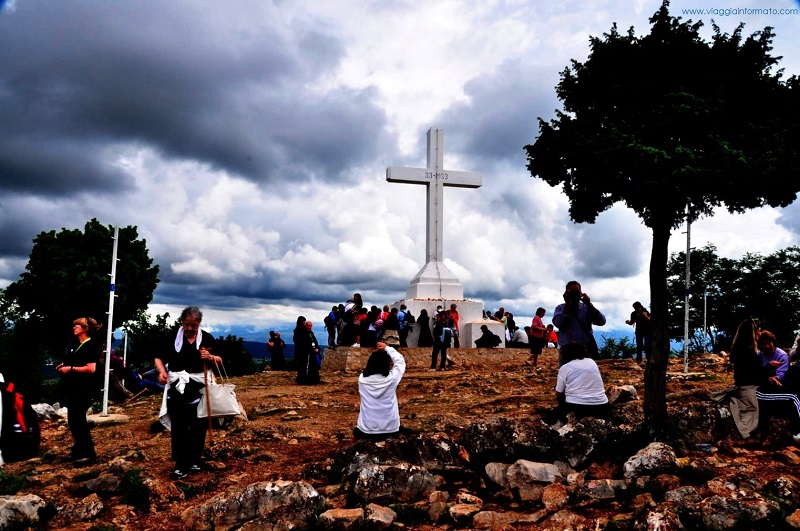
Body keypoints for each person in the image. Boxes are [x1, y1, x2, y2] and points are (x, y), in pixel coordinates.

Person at [154, 306, 221, 479]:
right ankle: (180, 463)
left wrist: (210, 357)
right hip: (177, 386)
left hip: (199, 387)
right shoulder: (172, 337)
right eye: (187, 325)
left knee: (199, 425)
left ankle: (195, 460)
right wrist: (162, 372)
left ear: (199, 323)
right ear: (182, 322)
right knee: (179, 426)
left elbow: (219, 361)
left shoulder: (207, 338)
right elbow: (158, 357)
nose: (190, 328)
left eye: (194, 325)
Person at [57, 317, 103, 466]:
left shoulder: (90, 345)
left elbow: (91, 368)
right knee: (73, 420)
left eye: (77, 326)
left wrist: (70, 369)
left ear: (85, 328)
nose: (74, 327)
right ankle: (78, 449)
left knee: (79, 420)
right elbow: (73, 360)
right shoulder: (76, 344)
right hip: (73, 387)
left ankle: (89, 453)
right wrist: (64, 365)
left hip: (84, 388)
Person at [717, 319, 763, 439]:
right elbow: (756, 374)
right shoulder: (749, 352)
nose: (760, 333)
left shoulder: (738, 349)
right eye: (758, 331)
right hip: (749, 388)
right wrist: (769, 367)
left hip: (742, 385)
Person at [354, 342, 407, 440]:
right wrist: (387, 348)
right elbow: (400, 361)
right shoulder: (392, 379)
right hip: (391, 429)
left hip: (366, 430)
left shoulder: (362, 380)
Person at [551, 342, 609, 423]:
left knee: (551, 416)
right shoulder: (592, 362)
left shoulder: (565, 367)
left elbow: (558, 393)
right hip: (601, 405)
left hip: (577, 406)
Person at [552, 281, 606, 365]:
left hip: (585, 348)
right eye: (571, 292)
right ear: (566, 293)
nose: (574, 294)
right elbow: (558, 323)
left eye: (576, 292)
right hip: (567, 349)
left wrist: (589, 304)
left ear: (581, 293)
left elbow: (601, 321)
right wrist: (567, 306)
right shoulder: (561, 308)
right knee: (566, 371)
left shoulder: (586, 308)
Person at [294, 317, 321, 385]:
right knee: (304, 367)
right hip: (305, 353)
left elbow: (315, 342)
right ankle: (304, 380)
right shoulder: (302, 333)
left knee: (313, 367)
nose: (309, 327)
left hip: (313, 353)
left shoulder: (311, 333)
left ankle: (313, 380)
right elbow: (302, 343)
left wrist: (317, 348)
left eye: (310, 326)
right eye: (308, 325)